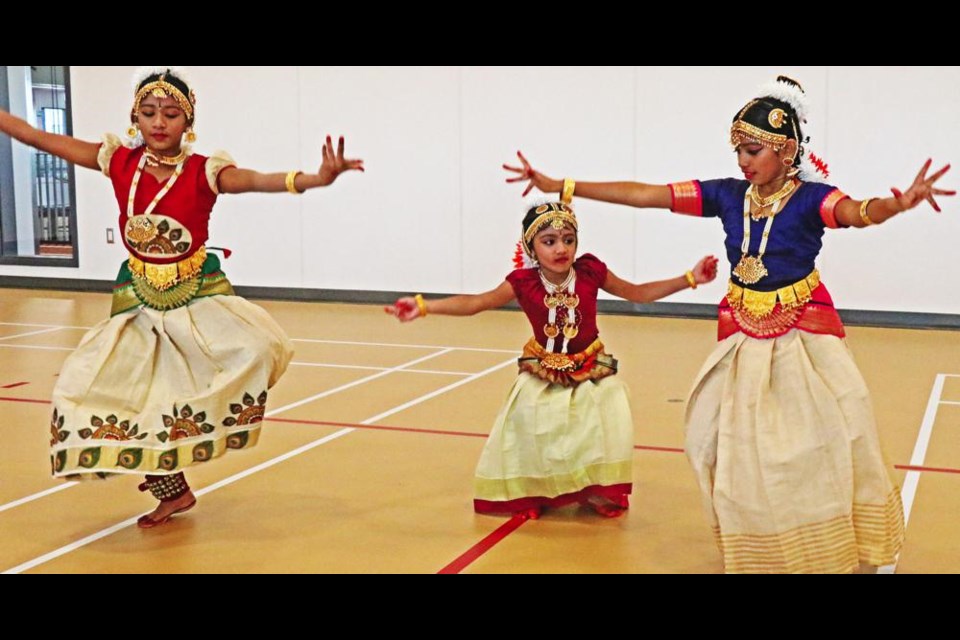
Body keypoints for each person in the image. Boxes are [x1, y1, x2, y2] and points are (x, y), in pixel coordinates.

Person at [503, 75, 954, 572]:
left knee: (830, 432)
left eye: (754, 150)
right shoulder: (726, 195)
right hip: (742, 335)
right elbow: (646, 194)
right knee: (721, 441)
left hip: (803, 335)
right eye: (738, 150)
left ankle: (829, 540)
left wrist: (899, 204)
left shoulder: (812, 199)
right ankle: (760, 540)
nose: (743, 161)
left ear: (787, 151)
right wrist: (564, 187)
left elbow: (857, 211)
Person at [0, 66, 364, 528]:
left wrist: (316, 178)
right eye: (149, 112)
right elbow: (37, 137)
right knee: (91, 385)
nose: (159, 122)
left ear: (187, 123)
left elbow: (258, 180)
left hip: (195, 297)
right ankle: (173, 490)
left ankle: (175, 485)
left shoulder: (204, 172)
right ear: (135, 117)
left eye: (171, 114)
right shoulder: (119, 162)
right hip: (137, 298)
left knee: (246, 355)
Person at [386, 196, 717, 519]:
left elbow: (637, 293)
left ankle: (594, 489)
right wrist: (425, 306)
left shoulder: (590, 271)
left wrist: (689, 279)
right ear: (532, 248)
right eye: (549, 241)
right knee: (532, 426)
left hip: (590, 367)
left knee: (604, 422)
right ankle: (537, 489)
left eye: (568, 239)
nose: (561, 248)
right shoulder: (523, 282)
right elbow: (478, 302)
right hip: (543, 368)